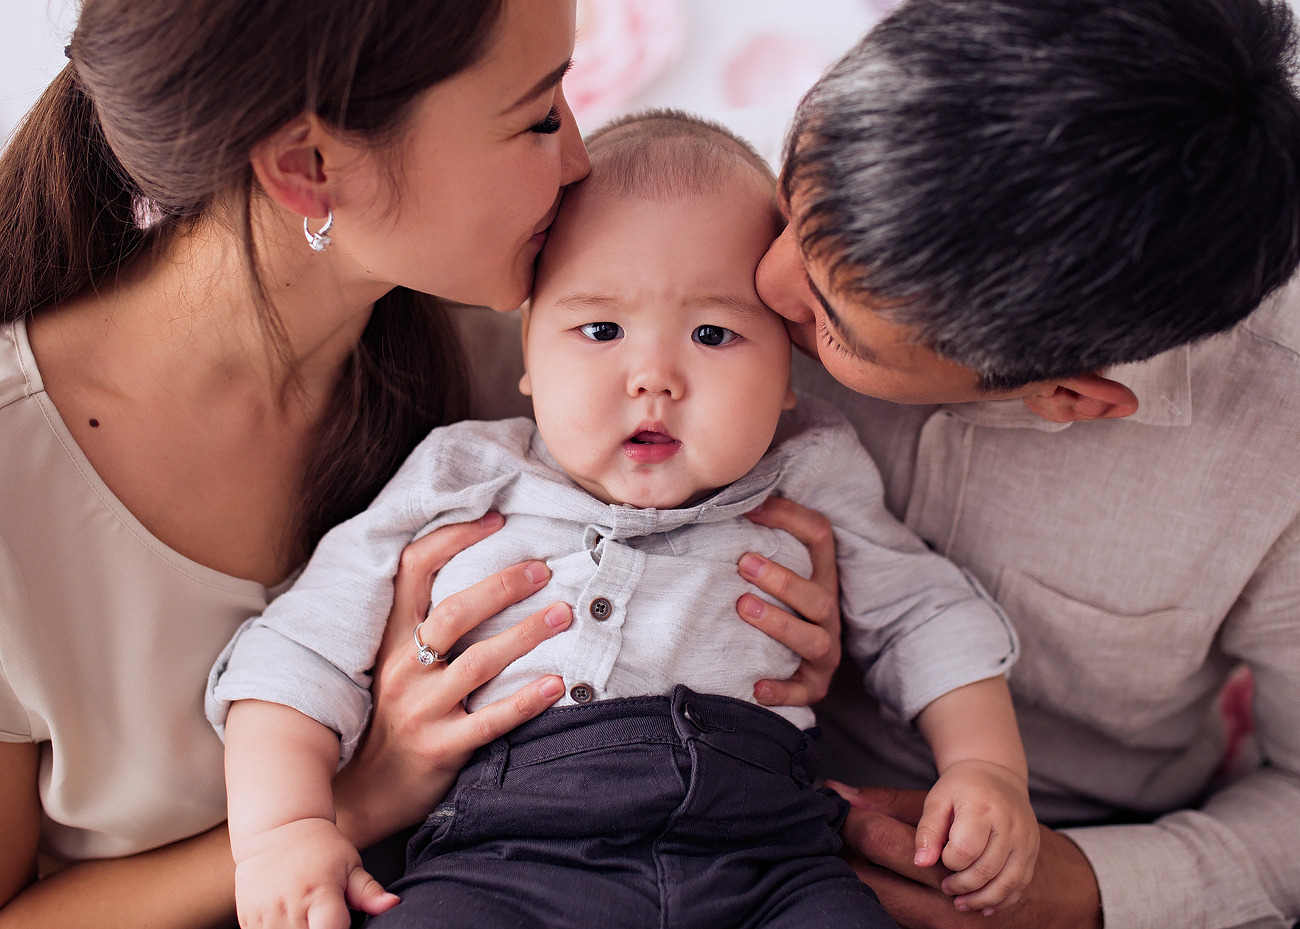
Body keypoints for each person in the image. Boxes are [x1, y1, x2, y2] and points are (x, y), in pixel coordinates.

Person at [0, 3, 839, 927]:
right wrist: (361, 797)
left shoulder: (545, 356)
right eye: (537, 118)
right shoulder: (17, 479)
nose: (579, 163)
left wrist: (770, 629)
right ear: (309, 168)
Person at [207, 112, 1038, 929]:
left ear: (790, 369)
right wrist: (282, 831)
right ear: (529, 350)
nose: (654, 377)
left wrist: (986, 766)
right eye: (600, 329)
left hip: (768, 858)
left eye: (713, 333)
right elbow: (298, 652)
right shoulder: (463, 473)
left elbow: (923, 613)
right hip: (507, 859)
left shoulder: (810, 470)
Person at [747, 0, 1300, 927]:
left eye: (827, 327)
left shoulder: (1275, 449)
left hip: (1077, 830)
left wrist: (1085, 887)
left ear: (1073, 396)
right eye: (783, 203)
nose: (763, 286)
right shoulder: (794, 195)